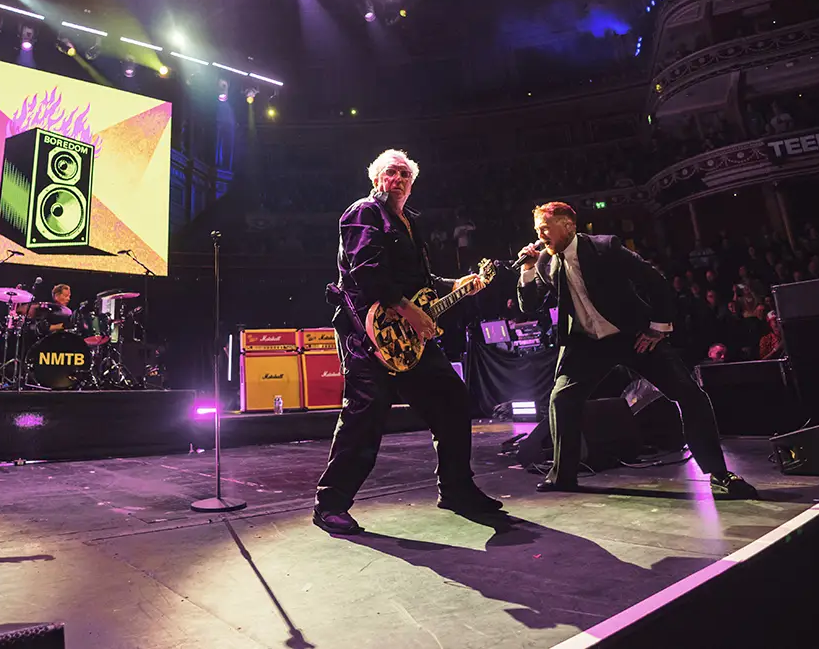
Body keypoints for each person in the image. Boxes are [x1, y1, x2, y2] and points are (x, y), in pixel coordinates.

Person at [314, 149, 500, 534]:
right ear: (376, 179)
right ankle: (330, 504)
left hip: (410, 336)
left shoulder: (411, 224)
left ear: (412, 184)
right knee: (365, 414)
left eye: (404, 174)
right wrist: (406, 309)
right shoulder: (363, 212)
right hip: (368, 333)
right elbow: (366, 270)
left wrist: (458, 285)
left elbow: (423, 286)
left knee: (451, 399)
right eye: (390, 173)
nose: (398, 179)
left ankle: (456, 489)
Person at [516, 202, 756, 499]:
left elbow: (653, 280)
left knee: (689, 393)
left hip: (631, 336)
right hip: (587, 343)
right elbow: (528, 305)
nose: (540, 236)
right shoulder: (543, 263)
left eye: (545, 228)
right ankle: (563, 476)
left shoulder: (605, 248)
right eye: (537, 230)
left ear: (567, 226)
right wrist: (527, 269)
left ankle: (720, 474)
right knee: (561, 398)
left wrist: (658, 326)